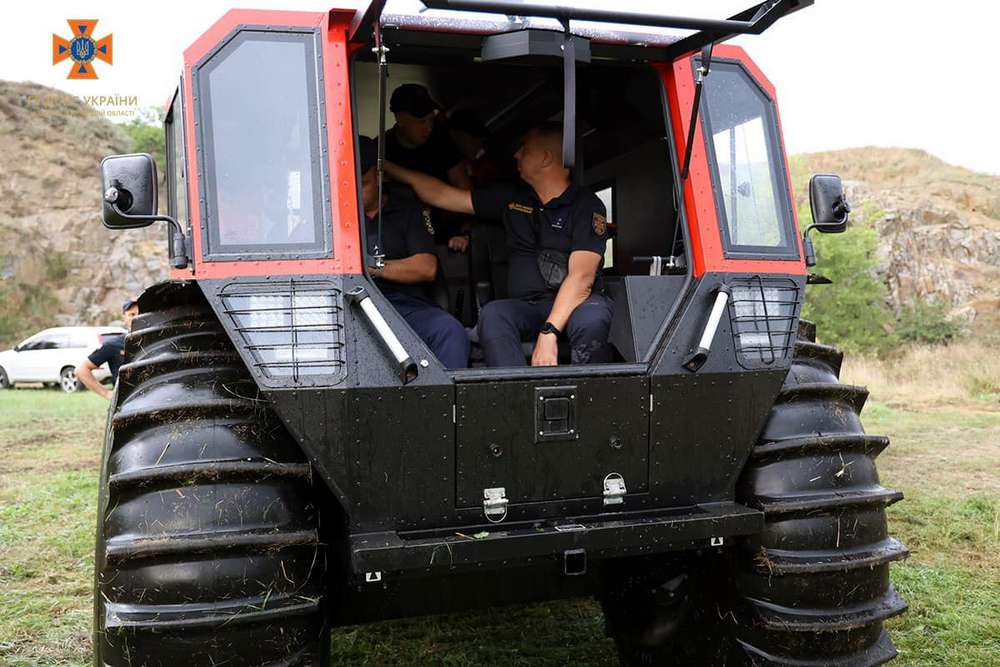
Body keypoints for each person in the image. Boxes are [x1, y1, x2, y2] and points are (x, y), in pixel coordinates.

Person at [384, 122, 613, 368]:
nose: (516, 154)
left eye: (524, 149)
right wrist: (385, 166)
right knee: (493, 315)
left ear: (546, 158)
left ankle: (586, 400)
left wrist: (548, 334)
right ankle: (517, 399)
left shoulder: (586, 205)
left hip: (578, 303)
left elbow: (582, 278)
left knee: (593, 319)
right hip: (528, 307)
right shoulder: (511, 198)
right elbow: (441, 195)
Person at [359, 136, 469, 369]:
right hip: (352, 306)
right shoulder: (334, 216)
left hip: (404, 306)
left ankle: (448, 406)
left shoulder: (408, 211)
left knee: (450, 330)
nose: (355, 191)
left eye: (363, 183)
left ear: (378, 177)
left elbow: (426, 268)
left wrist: (369, 265)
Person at [385, 83, 472, 250]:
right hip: (401, 237)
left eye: (431, 120)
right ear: (400, 118)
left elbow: (465, 190)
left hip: (447, 236)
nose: (428, 127)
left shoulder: (442, 143)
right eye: (421, 121)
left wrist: (464, 231)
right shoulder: (382, 149)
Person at [76, 299, 139, 400]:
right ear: (124, 318)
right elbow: (81, 370)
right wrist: (106, 393)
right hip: (125, 405)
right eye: (132, 314)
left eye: (140, 314)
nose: (137, 318)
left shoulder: (157, 342)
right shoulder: (113, 344)